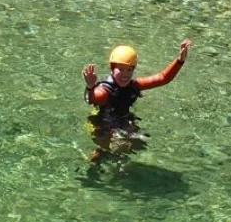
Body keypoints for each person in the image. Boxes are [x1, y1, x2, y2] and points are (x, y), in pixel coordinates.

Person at [82, 39, 191, 174]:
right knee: (102, 149)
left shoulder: (134, 85)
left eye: (129, 69)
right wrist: (90, 87)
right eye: (120, 69)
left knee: (138, 144)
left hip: (124, 118)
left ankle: (118, 162)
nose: (125, 74)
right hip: (103, 121)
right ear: (112, 69)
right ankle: (95, 163)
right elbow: (92, 99)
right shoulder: (105, 90)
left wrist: (180, 60)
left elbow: (163, 78)